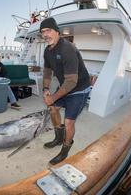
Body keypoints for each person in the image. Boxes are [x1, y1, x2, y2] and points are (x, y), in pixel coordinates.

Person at [40, 17, 91, 165]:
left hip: (79, 88)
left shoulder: (67, 48)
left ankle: (64, 151)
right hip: (65, 86)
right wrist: (45, 89)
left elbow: (72, 82)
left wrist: (53, 97)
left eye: (48, 30)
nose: (45, 34)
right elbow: (47, 72)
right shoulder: (47, 51)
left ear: (57, 31)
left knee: (69, 121)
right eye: (43, 32)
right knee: (53, 110)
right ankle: (58, 137)